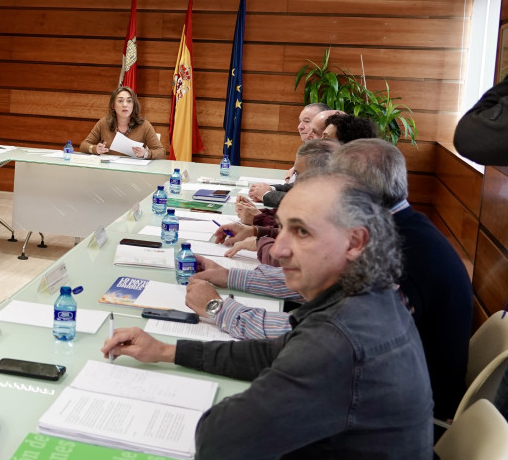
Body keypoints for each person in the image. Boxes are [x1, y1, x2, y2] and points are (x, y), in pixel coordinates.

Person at [104, 172, 434, 458]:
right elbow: (272, 351)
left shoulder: (337, 342)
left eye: (302, 232)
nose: (277, 249)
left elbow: (220, 441)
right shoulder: (371, 294)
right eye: (282, 229)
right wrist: (166, 351)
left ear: (355, 242)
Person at [195, 139, 472, 422]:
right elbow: (318, 290)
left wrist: (219, 309)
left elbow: (323, 339)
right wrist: (230, 276)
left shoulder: (399, 253)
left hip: (398, 414)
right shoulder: (396, 226)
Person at [247, 103, 333, 206]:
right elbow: (301, 186)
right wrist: (271, 189)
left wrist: (266, 194)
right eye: (300, 121)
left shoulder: (331, 160)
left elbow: (304, 202)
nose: (299, 127)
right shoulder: (317, 152)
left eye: (307, 122)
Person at [78, 85, 166, 159]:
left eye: (129, 101)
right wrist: (95, 149)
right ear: (113, 106)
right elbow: (83, 145)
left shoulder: (144, 125)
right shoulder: (103, 123)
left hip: (135, 173)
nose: (125, 105)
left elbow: (161, 152)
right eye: (120, 101)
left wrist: (146, 153)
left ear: (133, 105)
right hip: (109, 172)